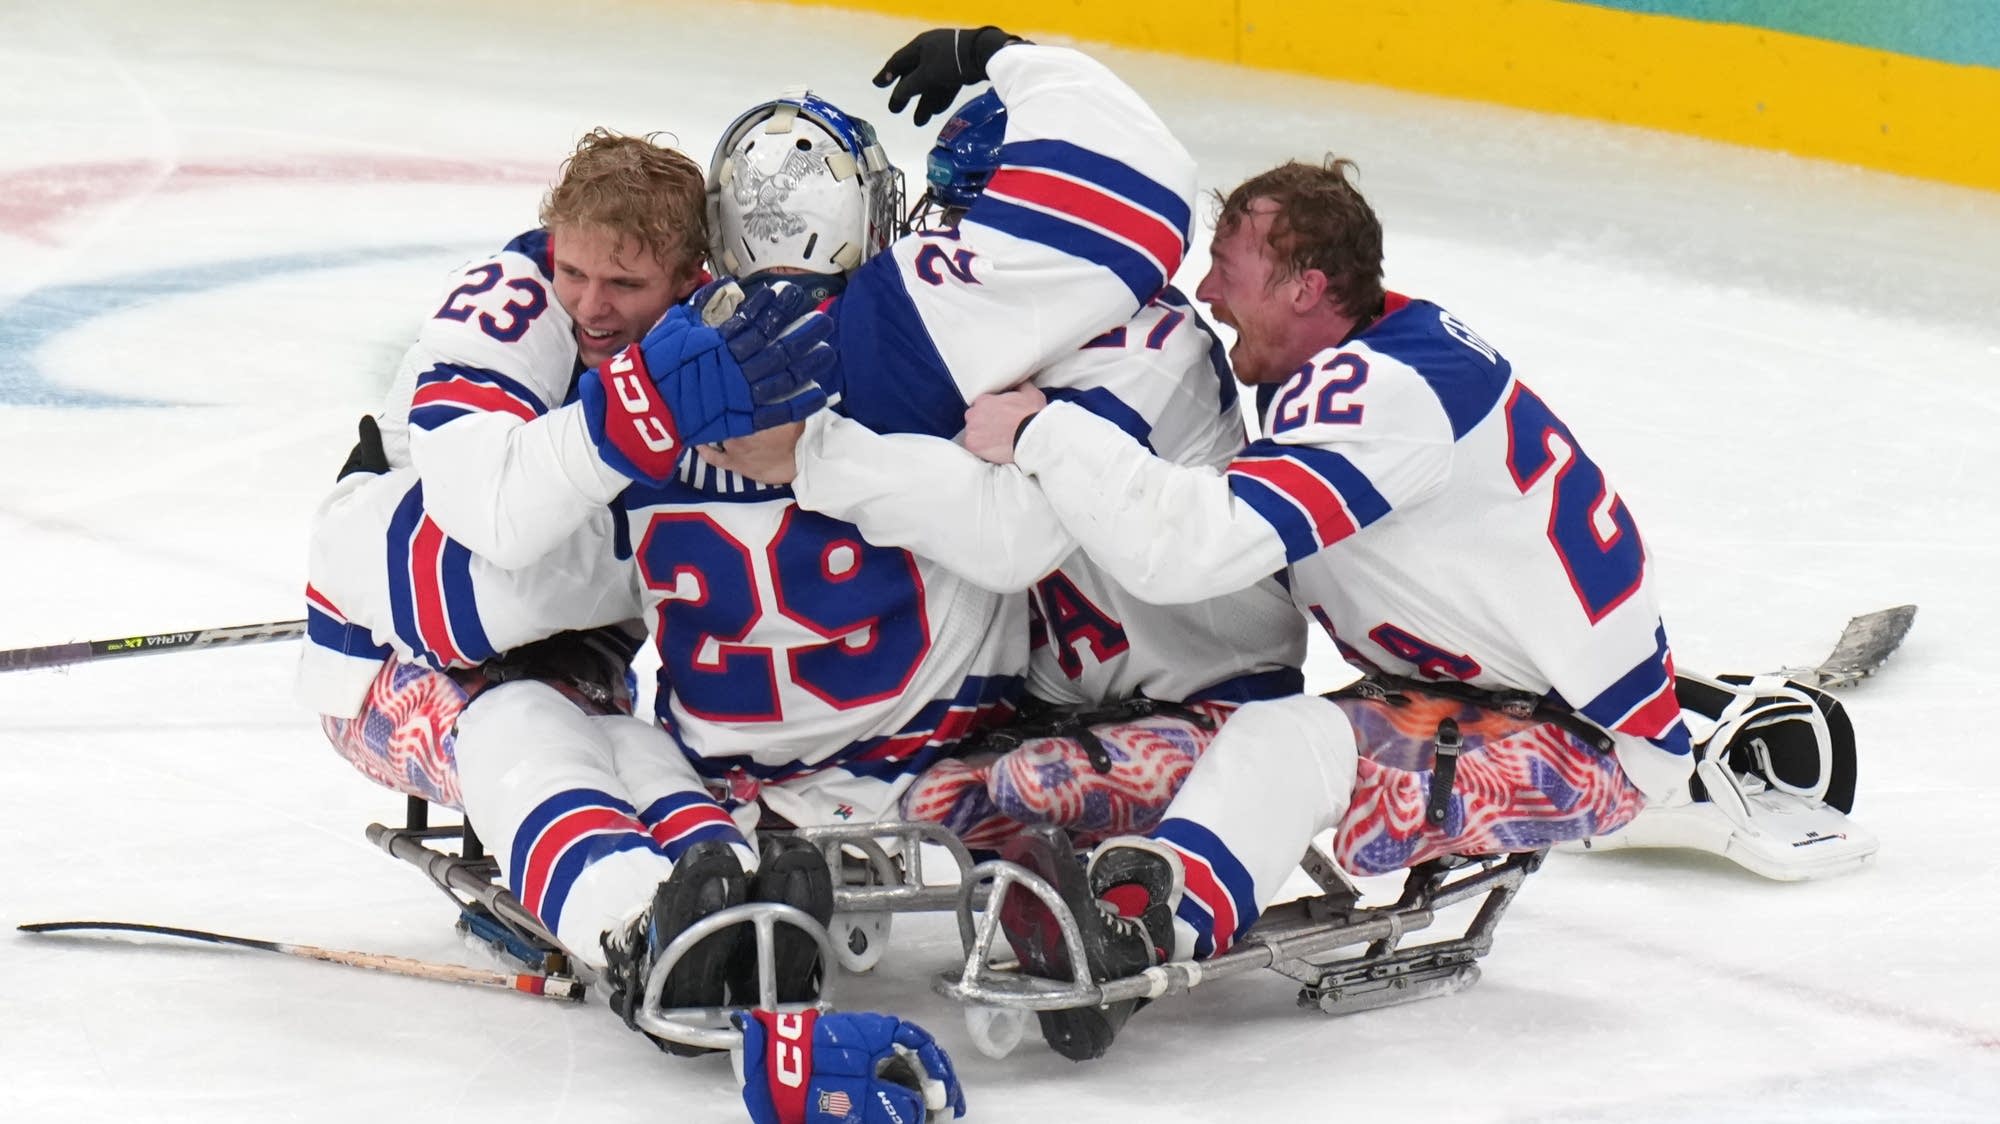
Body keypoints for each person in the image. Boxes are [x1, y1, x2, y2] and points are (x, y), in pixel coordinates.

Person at [959, 156, 1703, 1061]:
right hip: (1498, 686)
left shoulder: (1382, 395)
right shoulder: (1385, 353)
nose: (1205, 289)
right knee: (1241, 727)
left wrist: (1047, 431)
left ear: (1307, 287)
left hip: (1575, 738)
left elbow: (1190, 548)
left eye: (1227, 271)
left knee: (1285, 742)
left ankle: (1141, 929)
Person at [295, 126, 846, 1054]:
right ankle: (634, 932)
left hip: (567, 659)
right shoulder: (509, 307)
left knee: (636, 746)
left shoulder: (717, 328)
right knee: (521, 725)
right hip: (387, 656)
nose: (590, 307)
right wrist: (638, 421)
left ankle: (737, 899)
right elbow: (480, 548)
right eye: (574, 271)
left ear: (688, 275)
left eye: (625, 285)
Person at [705, 89, 1307, 854]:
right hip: (1057, 703)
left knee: (1010, 790)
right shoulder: (1004, 336)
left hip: (1209, 701)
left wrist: (806, 454)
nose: (949, 248)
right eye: (949, 220)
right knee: (875, 784)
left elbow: (1013, 538)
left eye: (970, 221)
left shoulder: (1153, 349)